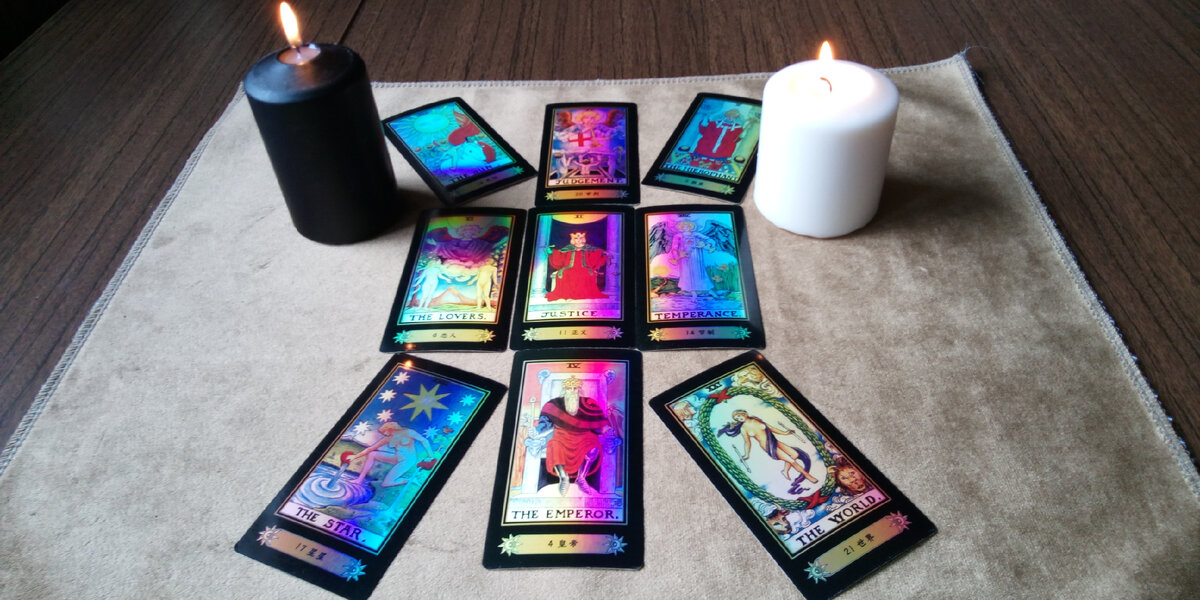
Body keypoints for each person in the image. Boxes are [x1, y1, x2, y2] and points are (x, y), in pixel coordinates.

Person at [539, 376, 608, 495]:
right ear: (564, 390)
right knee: (554, 445)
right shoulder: (554, 404)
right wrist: (538, 429)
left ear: (579, 390)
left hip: (584, 437)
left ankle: (581, 478)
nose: (572, 391)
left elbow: (598, 422)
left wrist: (607, 430)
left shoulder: (588, 403)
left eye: (574, 388)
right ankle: (563, 478)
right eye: (569, 388)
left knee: (594, 448)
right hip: (562, 436)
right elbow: (545, 422)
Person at [718, 409, 817, 484]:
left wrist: (785, 433)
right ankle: (807, 476)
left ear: (744, 414)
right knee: (791, 460)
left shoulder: (756, 420)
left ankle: (785, 471)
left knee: (794, 454)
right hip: (768, 446)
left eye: (739, 416)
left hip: (774, 441)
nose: (739, 419)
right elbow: (747, 442)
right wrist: (746, 454)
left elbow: (771, 428)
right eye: (737, 419)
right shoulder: (744, 428)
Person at [349, 422, 434, 488]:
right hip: (397, 457)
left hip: (408, 460)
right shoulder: (388, 438)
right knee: (372, 454)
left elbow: (424, 440)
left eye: (384, 431)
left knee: (386, 483)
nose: (384, 434)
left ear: (390, 429)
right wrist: (355, 456)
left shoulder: (408, 432)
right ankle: (359, 479)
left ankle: (409, 480)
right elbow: (370, 448)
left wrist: (431, 456)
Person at [545, 231, 608, 300]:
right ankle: (567, 293)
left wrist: (601, 253)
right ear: (573, 239)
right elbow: (560, 256)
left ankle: (583, 293)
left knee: (587, 274)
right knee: (564, 273)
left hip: (584, 267)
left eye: (580, 238)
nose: (578, 240)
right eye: (576, 238)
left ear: (583, 239)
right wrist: (552, 252)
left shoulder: (588, 248)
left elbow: (594, 255)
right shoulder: (568, 248)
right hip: (568, 267)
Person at [667, 220, 715, 296]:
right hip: (684, 256)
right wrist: (677, 256)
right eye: (683, 226)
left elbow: (709, 239)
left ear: (691, 227)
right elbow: (674, 247)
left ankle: (701, 288)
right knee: (686, 272)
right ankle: (687, 289)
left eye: (687, 226)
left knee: (698, 270)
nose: (685, 227)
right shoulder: (678, 236)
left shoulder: (696, 234)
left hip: (696, 255)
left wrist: (707, 244)